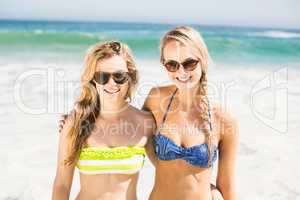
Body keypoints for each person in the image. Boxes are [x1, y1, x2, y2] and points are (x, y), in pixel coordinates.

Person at [143, 26, 239, 200]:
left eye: (189, 63)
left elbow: (227, 185)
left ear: (202, 61)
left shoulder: (223, 118)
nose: (181, 72)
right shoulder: (156, 98)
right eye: (172, 65)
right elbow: (138, 136)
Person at [52, 41, 154, 200]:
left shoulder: (146, 123)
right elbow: (62, 185)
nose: (111, 83)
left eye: (119, 76)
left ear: (130, 77)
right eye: (102, 77)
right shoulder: (75, 123)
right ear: (92, 80)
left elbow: (168, 173)